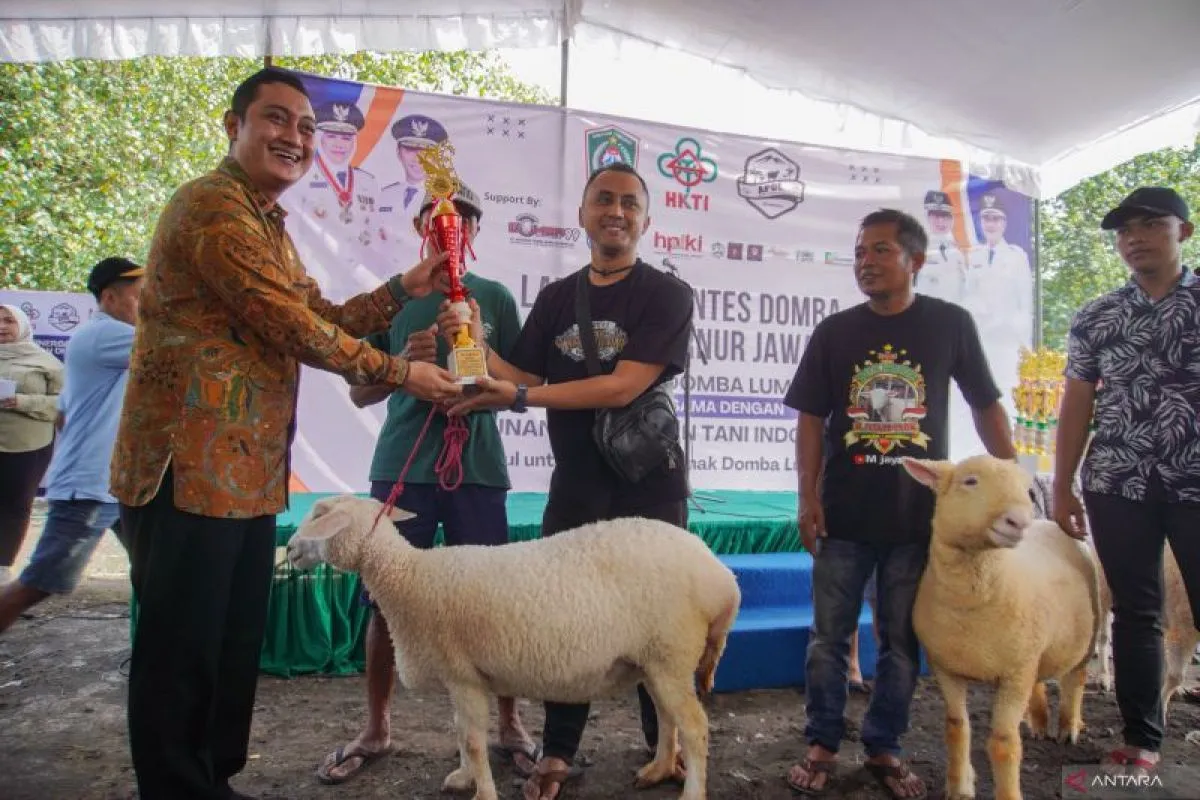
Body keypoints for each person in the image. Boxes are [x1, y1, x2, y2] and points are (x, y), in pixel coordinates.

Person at [109, 66, 463, 800]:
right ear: (233, 126)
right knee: (183, 653)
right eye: (276, 119)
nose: (295, 138)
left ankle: (214, 780)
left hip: (246, 475)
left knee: (231, 645)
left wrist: (404, 288)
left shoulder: (268, 223)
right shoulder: (213, 208)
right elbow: (293, 327)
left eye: (305, 127)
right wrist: (402, 373)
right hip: (185, 470)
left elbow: (319, 314)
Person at [441, 162, 695, 800]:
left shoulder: (667, 294)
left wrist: (520, 396)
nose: (616, 212)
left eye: (629, 203)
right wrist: (471, 336)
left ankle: (667, 747)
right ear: (582, 214)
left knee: (661, 623)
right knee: (564, 627)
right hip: (576, 489)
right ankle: (558, 752)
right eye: (603, 200)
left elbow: (623, 386)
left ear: (645, 220)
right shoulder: (558, 297)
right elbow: (515, 374)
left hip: (648, 487)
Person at [782, 208, 1016, 799]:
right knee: (827, 639)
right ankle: (822, 742)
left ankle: (885, 746)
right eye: (860, 252)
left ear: (916, 260)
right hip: (843, 514)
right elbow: (810, 419)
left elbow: (985, 403)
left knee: (902, 642)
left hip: (917, 520)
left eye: (881, 250)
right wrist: (807, 496)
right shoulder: (834, 332)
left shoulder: (950, 324)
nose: (866, 262)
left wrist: (1013, 480)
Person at [315, 182, 535, 784]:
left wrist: (481, 356)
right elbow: (360, 393)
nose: (452, 230)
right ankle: (376, 727)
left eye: (463, 221)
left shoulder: (493, 297)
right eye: (440, 222)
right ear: (421, 231)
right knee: (383, 598)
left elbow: (523, 387)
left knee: (493, 600)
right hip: (402, 468)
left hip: (477, 466)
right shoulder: (398, 298)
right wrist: (400, 367)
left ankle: (510, 723)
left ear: (476, 231)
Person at [1053, 186, 1200, 776]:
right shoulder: (1097, 315)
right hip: (1117, 481)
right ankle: (1142, 742)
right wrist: (1061, 485)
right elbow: (1076, 402)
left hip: (1195, 480)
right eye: (1123, 231)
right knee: (1137, 613)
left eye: (1149, 225)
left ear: (1183, 231)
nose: (1135, 238)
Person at [0, 258, 143, 632]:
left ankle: (164, 653)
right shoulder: (107, 334)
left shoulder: (96, 338)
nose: (148, 306)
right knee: (39, 582)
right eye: (139, 297)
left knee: (160, 573)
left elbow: (62, 414)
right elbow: (181, 348)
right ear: (110, 298)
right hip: (89, 488)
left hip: (114, 484)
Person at [287, 100, 382, 292]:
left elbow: (374, 237)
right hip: (315, 284)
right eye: (331, 136)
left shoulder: (368, 183)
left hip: (361, 286)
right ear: (319, 137)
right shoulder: (298, 177)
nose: (339, 144)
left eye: (346, 138)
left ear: (354, 141)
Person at [0, 303, 64, 584]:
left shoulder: (45, 362)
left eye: (8, 321)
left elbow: (65, 403)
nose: (1, 327)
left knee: (15, 505)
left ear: (23, 325)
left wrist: (22, 401)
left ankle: (2, 566)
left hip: (27, 446)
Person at [377, 114, 450, 259]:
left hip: (423, 272)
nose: (418, 159)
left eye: (426, 152)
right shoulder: (385, 195)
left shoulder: (445, 201)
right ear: (399, 152)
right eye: (410, 149)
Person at [915, 189, 965, 303]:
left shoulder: (959, 252)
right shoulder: (917, 249)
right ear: (927, 217)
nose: (941, 221)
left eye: (945, 216)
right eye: (936, 216)